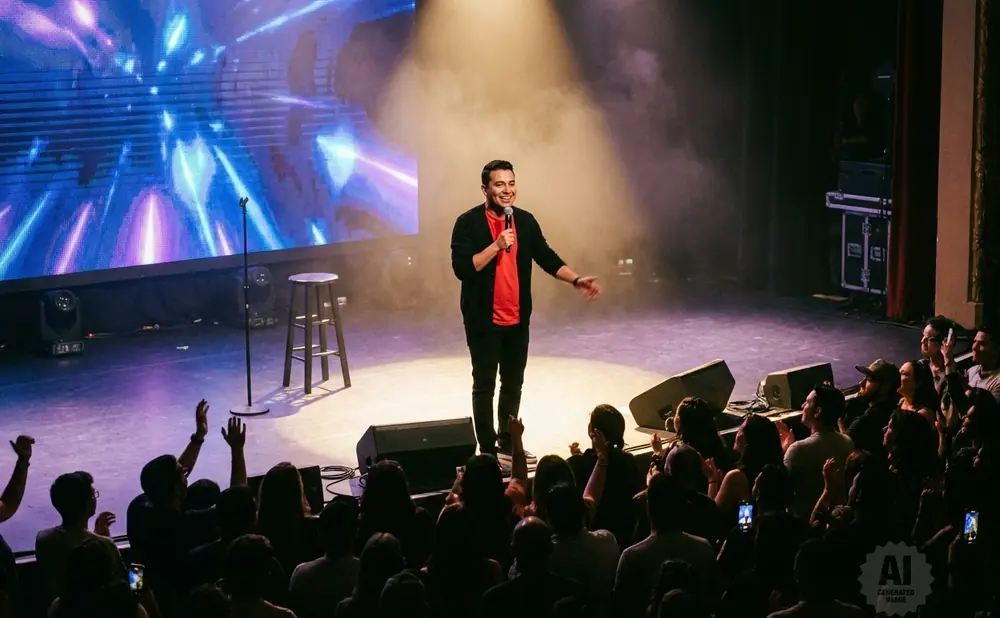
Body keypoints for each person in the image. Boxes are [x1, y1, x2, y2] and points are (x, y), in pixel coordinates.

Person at [451, 159, 602, 459]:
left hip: (517, 318)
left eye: (511, 183)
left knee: (513, 383)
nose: (507, 191)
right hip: (484, 320)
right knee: (484, 385)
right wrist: (495, 245)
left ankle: (508, 443)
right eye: (499, 184)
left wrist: (576, 279)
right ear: (485, 189)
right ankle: (487, 451)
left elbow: (546, 256)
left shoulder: (525, 221)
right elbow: (463, 268)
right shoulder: (467, 223)